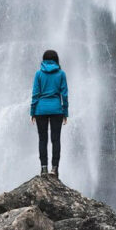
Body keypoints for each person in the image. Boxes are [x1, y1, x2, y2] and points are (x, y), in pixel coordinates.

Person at [30, 49, 68, 178]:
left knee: (42, 139)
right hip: (56, 110)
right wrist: (65, 112)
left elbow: (35, 94)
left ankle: (43, 169)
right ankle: (55, 169)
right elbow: (64, 95)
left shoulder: (38, 74)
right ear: (56, 60)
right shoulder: (61, 74)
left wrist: (32, 111)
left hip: (40, 110)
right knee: (55, 139)